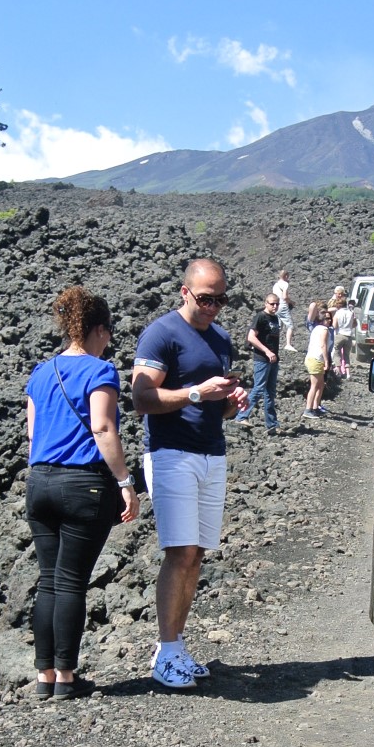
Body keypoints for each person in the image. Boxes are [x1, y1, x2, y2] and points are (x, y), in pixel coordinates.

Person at [132, 257, 248, 690]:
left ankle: (176, 646)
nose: (213, 307)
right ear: (185, 292)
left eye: (221, 300)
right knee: (179, 552)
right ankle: (165, 652)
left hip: (211, 454)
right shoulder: (161, 333)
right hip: (171, 453)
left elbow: (220, 408)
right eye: (205, 299)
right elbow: (142, 398)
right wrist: (197, 392)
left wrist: (233, 402)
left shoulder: (221, 338)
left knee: (197, 554)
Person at [24, 286, 140, 700]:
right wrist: (125, 482)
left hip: (39, 483)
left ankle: (45, 678)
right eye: (108, 332)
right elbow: (103, 428)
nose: (108, 341)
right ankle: (66, 677)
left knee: (48, 581)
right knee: (71, 582)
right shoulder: (100, 371)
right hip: (82, 485)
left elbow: (33, 434)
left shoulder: (40, 372)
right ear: (98, 330)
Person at [235, 291, 282, 433]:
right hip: (262, 359)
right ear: (266, 303)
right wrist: (267, 351)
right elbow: (251, 337)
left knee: (270, 392)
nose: (275, 306)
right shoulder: (260, 317)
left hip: (273, 359)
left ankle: (272, 424)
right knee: (259, 388)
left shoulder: (275, 318)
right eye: (272, 304)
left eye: (277, 304)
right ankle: (241, 416)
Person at [303, 309, 330, 419]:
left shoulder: (315, 329)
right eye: (327, 318)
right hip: (316, 359)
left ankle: (315, 407)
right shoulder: (324, 329)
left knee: (320, 384)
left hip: (312, 358)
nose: (329, 320)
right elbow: (323, 345)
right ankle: (308, 409)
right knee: (314, 385)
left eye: (330, 318)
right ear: (321, 320)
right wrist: (326, 361)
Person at [331, 299, 356, 378]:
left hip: (339, 334)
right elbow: (354, 324)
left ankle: (339, 371)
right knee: (346, 355)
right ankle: (348, 374)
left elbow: (334, 325)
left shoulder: (338, 313)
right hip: (348, 336)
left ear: (338, 305)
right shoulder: (351, 313)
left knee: (337, 353)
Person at [272, 270, 296, 351]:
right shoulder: (285, 284)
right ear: (286, 276)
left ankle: (275, 343)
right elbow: (285, 297)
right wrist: (291, 302)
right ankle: (288, 344)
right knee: (290, 326)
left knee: (278, 326)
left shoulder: (275, 285)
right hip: (283, 306)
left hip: (276, 306)